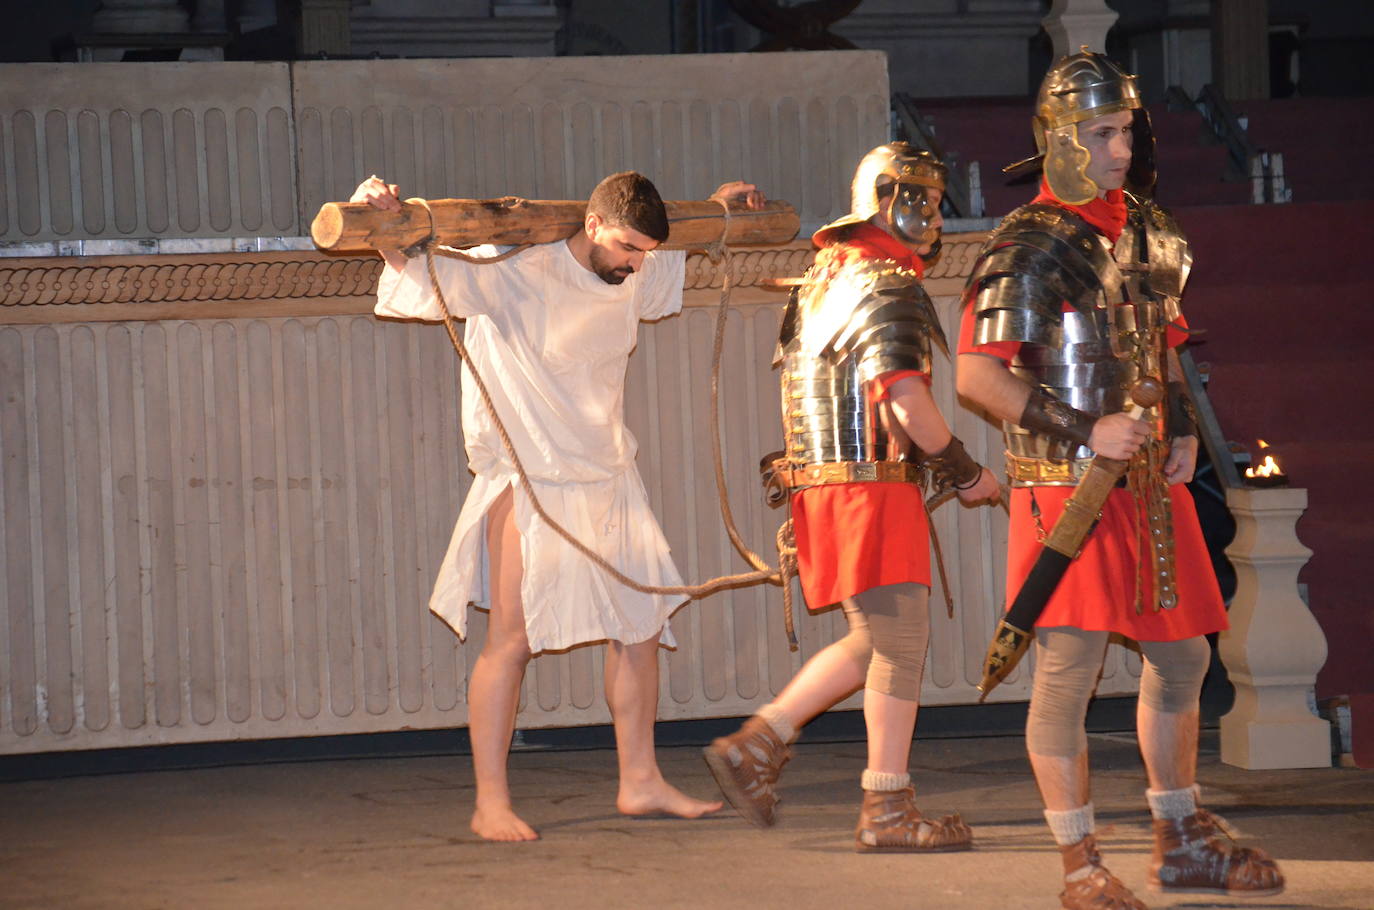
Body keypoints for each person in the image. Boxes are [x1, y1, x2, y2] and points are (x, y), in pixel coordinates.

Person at [956, 51, 1284, 908]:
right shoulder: (1025, 245)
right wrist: (1082, 427)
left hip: (1149, 481)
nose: (1121, 148)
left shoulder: (1148, 228)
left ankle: (1179, 838)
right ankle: (1079, 864)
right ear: (1059, 138)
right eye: (1102, 133)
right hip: (1065, 486)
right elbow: (976, 379)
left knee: (1182, 657)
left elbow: (1161, 352)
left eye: (1128, 129)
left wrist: (1177, 436)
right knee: (1068, 670)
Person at [354, 170, 765, 842]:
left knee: (638, 632)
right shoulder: (512, 268)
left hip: (608, 474)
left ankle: (640, 781)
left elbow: (684, 243)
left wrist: (716, 205)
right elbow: (420, 279)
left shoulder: (636, 269)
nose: (638, 262)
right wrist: (385, 226)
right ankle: (490, 801)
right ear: (595, 225)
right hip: (530, 476)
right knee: (511, 640)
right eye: (629, 246)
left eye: (645, 252)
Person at [702, 143, 999, 851]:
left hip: (835, 489)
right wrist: (966, 472)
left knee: (879, 639)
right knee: (900, 643)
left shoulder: (830, 275)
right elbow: (904, 402)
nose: (928, 215)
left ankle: (759, 744)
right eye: (917, 198)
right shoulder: (883, 278)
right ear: (885, 196)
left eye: (935, 199)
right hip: (867, 488)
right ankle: (886, 807)